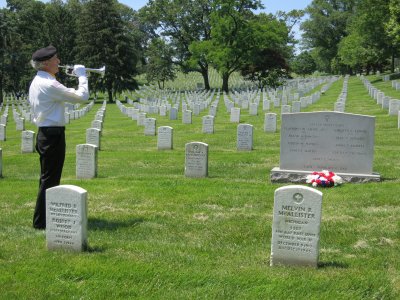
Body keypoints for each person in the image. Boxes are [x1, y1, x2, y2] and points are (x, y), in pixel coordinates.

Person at [29, 45, 89, 230]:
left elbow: (62, 93)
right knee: (50, 179)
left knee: (47, 177)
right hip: (52, 135)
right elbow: (82, 96)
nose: (59, 62)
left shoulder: (40, 80)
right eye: (56, 59)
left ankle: (43, 218)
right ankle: (41, 222)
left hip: (46, 134)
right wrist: (82, 76)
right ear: (46, 63)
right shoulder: (49, 83)